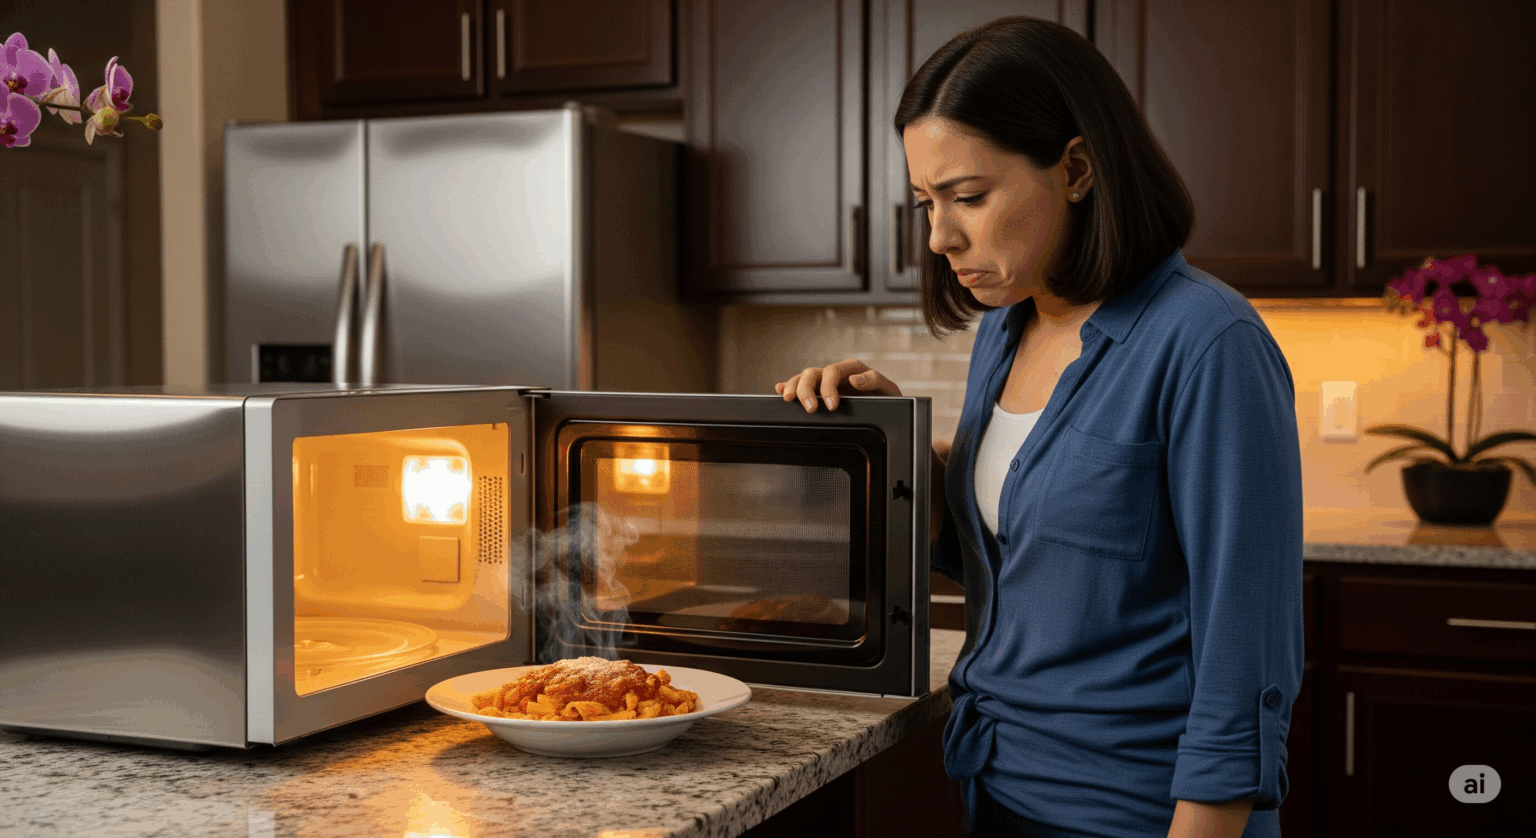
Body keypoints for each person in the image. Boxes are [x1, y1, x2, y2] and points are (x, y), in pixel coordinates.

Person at [775, 17, 1304, 838]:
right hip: (998, 789)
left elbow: (1248, 658)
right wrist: (889, 444)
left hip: (1140, 816)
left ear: (1078, 168)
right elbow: (1024, 544)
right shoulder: (1008, 326)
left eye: (969, 197)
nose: (939, 237)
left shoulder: (1209, 345)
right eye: (925, 203)